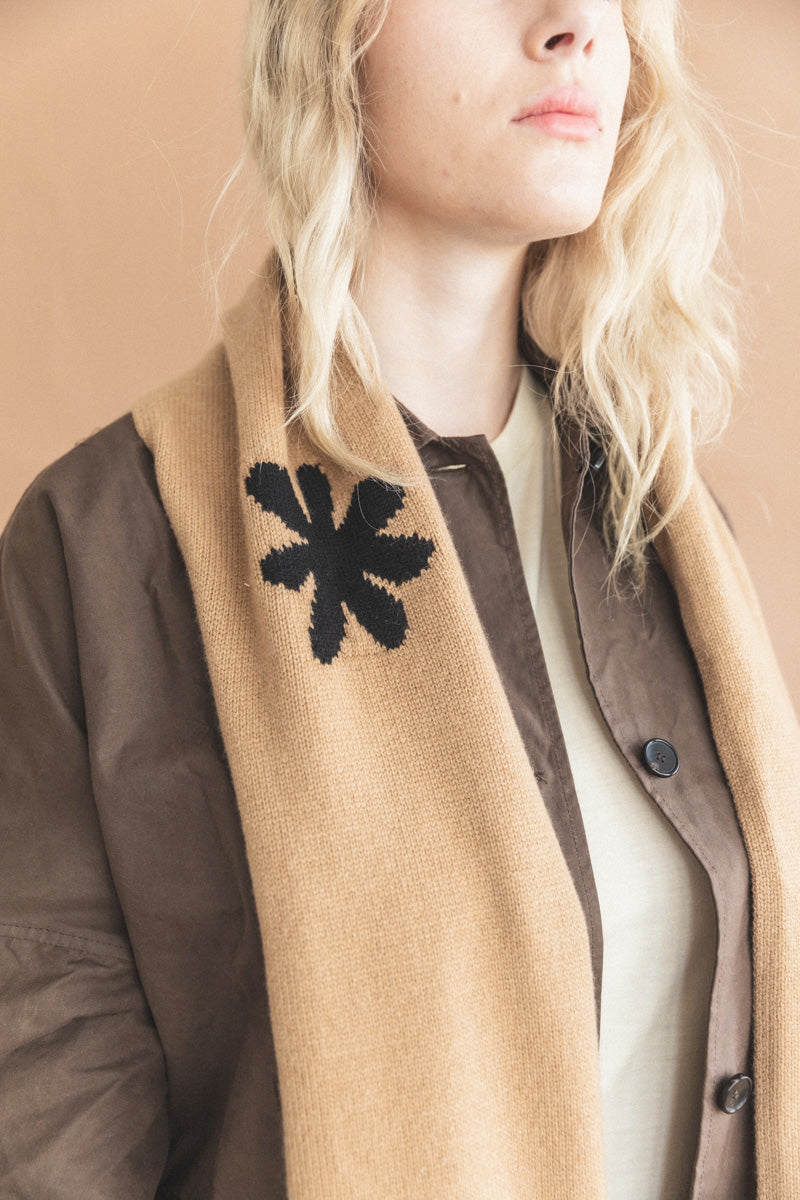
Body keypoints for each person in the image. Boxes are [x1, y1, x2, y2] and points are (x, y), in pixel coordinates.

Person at [1, 1, 798, 1197]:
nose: (574, 25)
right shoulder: (106, 551)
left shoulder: (660, 526)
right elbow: (53, 1120)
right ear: (332, 30)